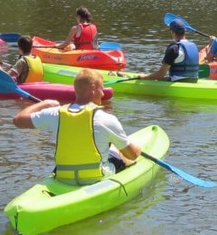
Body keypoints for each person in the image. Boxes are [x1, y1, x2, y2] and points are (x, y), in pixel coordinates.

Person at [12, 68, 140, 183]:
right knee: (121, 154)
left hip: (63, 176)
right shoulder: (107, 119)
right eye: (101, 89)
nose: (102, 94)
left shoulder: (54, 113)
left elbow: (18, 120)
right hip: (96, 177)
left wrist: (44, 104)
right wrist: (137, 150)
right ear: (93, 88)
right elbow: (133, 155)